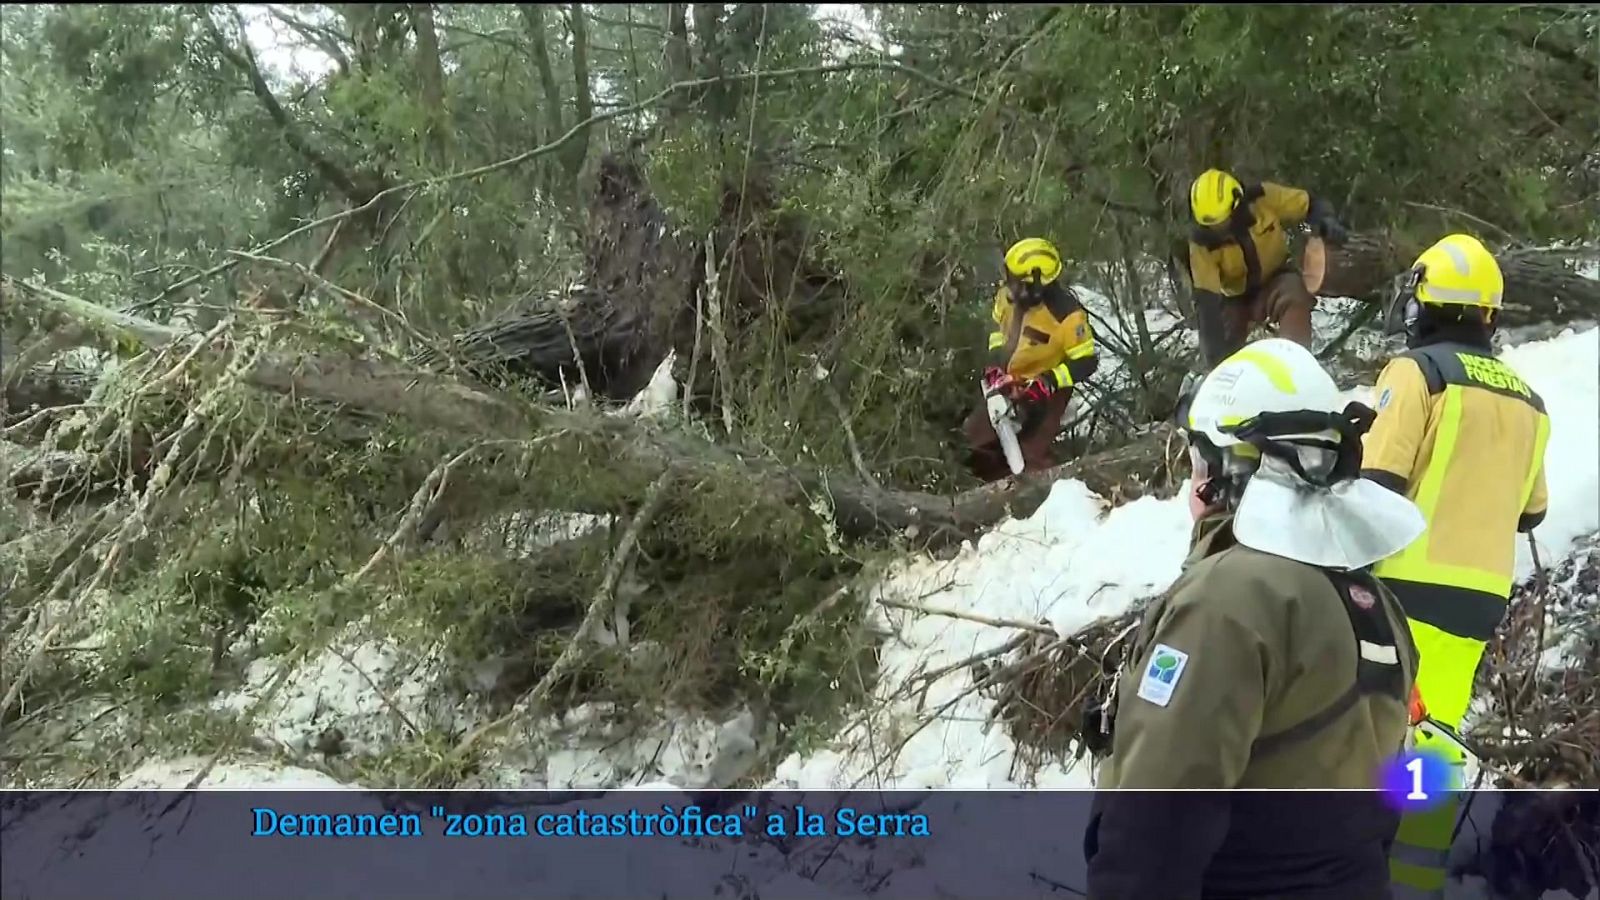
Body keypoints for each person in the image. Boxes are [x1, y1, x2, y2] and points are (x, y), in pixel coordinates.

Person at [1082, 338, 1427, 900]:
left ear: (1226, 472)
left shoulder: (1226, 603)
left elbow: (1156, 825)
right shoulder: (1371, 601)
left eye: (1198, 460)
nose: (1191, 485)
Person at [1360, 233, 1551, 899]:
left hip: (1401, 587)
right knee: (1433, 737)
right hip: (1478, 598)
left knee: (1369, 732)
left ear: (1426, 303)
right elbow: (1532, 512)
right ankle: (1412, 878)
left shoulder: (1417, 374)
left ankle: (1348, 867)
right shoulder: (1529, 400)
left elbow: (1375, 481)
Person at [962, 237, 1099, 481]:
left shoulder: (1067, 315)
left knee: (1029, 456)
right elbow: (997, 328)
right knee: (975, 437)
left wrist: (1049, 381)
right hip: (1007, 378)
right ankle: (989, 488)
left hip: (1048, 386)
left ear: (1037, 285)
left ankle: (1041, 498)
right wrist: (995, 362)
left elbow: (1086, 362)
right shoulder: (1006, 296)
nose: (1009, 288)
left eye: (1016, 283)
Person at [1185, 168, 1350, 369]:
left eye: (1223, 221)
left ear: (1236, 204)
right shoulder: (1202, 244)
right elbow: (1207, 303)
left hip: (1276, 277)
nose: (1218, 229)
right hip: (1236, 297)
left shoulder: (1263, 198)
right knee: (1223, 341)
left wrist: (1325, 220)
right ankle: (1231, 383)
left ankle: (1297, 368)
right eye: (1212, 226)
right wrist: (1215, 360)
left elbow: (1308, 204)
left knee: (1294, 297)